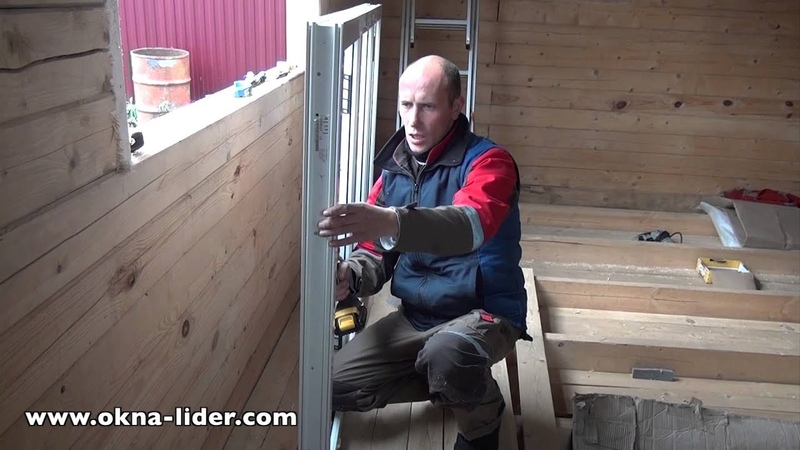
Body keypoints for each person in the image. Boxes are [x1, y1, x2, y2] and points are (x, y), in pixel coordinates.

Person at [316, 54, 530, 450]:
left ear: (456, 106)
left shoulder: (490, 162)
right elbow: (373, 253)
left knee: (449, 353)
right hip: (416, 317)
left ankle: (481, 420)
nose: (412, 121)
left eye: (428, 106)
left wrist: (393, 222)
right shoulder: (394, 172)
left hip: (483, 313)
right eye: (406, 105)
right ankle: (452, 382)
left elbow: (469, 225)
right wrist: (352, 276)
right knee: (331, 385)